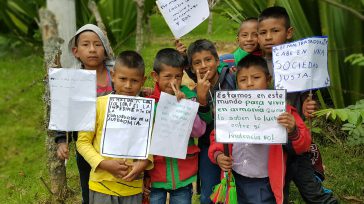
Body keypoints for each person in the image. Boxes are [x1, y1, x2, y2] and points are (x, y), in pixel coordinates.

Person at [257, 6, 338, 203]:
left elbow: (306, 98)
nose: (268, 37)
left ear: (289, 32)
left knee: (311, 190)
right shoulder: (253, 65)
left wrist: (307, 106)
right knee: (278, 190)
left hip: (295, 138)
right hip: (270, 144)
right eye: (263, 32)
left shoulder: (300, 62)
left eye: (275, 31)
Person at [209, 54, 312, 204]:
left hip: (264, 182)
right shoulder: (231, 109)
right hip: (234, 178)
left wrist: (293, 130)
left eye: (256, 78)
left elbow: (304, 145)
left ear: (268, 80)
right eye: (243, 80)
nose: (249, 84)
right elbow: (217, 136)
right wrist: (218, 155)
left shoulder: (284, 111)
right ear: (237, 84)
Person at [76, 51, 153, 204]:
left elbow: (150, 142)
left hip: (133, 185)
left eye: (134, 81)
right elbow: (82, 142)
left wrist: (143, 163)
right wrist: (103, 163)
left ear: (143, 81)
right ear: (113, 75)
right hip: (101, 185)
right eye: (123, 79)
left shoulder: (146, 109)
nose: (128, 86)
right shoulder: (97, 105)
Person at [55, 24, 114, 204]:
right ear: (76, 51)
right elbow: (63, 109)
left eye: (97, 44)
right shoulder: (70, 79)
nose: (92, 50)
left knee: (115, 181)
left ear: (105, 49)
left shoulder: (116, 73)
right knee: (88, 184)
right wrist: (61, 140)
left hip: (115, 140)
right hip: (85, 144)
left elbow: (130, 92)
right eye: (86, 45)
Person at [146, 48, 206, 204]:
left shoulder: (189, 99)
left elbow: (199, 131)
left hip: (183, 173)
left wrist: (185, 107)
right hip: (155, 173)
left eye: (178, 77)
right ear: (155, 76)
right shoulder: (150, 102)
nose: (173, 82)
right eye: (167, 76)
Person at [183, 39, 236, 204]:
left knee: (237, 190)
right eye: (197, 63)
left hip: (237, 144)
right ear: (191, 68)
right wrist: (201, 99)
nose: (204, 65)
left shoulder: (233, 79)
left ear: (217, 61)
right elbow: (202, 125)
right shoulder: (192, 92)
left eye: (208, 60)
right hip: (208, 146)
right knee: (208, 195)